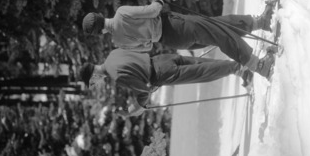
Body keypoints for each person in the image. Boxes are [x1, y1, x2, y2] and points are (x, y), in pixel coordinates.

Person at [82, 0, 275, 75]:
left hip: (171, 40)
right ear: (100, 16)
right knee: (218, 34)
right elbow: (153, 11)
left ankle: (259, 22)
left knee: (216, 26)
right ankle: (258, 65)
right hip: (173, 25)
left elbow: (147, 47)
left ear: (100, 32)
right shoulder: (121, 13)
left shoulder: (118, 41)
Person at [78, 47, 275, 117]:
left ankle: (239, 69)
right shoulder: (113, 54)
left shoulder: (116, 76)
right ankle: (240, 70)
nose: (97, 84)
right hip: (160, 59)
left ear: (93, 76)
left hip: (161, 74)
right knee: (201, 63)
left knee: (202, 72)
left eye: (93, 82)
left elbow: (143, 90)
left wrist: (133, 111)